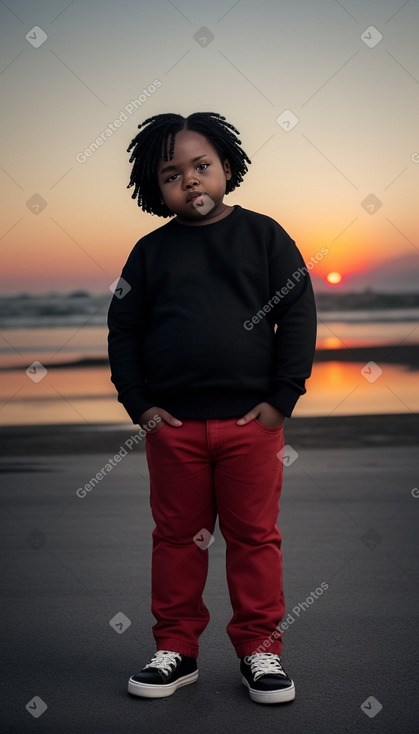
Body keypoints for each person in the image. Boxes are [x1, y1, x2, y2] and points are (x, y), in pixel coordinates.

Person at [107, 112, 317, 704]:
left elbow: (297, 313)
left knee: (254, 539)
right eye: (173, 174)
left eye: (202, 167)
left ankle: (261, 652)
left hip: (252, 426)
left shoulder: (264, 235)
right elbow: (123, 329)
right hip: (172, 428)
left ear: (227, 167)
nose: (191, 181)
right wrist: (138, 404)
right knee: (177, 539)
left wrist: (283, 398)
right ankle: (177, 651)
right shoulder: (149, 253)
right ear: (155, 189)